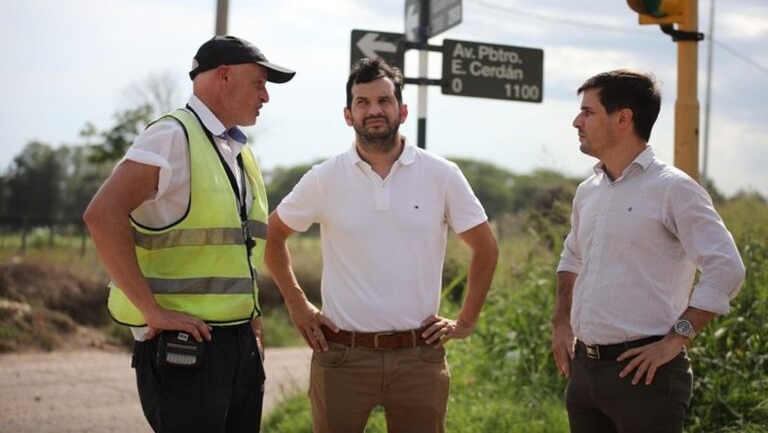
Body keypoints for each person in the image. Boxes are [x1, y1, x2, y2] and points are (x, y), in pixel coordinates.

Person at [264, 57, 498, 433]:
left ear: (402, 110)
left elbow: (485, 248)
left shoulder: (441, 174)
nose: (374, 110)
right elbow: (273, 236)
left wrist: (465, 323)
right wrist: (298, 305)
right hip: (340, 356)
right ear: (348, 114)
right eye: (363, 102)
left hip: (418, 357)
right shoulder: (324, 178)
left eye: (384, 101)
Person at [83, 35, 295, 433]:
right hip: (185, 345)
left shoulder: (238, 151)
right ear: (225, 76)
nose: (266, 96)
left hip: (237, 342)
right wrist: (151, 311)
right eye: (259, 83)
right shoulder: (172, 136)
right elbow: (102, 215)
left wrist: (249, 318)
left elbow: (234, 252)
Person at [550, 69, 746, 433]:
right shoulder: (588, 190)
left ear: (624, 118)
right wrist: (562, 321)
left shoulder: (674, 189)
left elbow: (726, 268)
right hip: (584, 373)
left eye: (588, 112)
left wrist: (677, 339)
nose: (577, 121)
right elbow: (571, 258)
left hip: (646, 375)